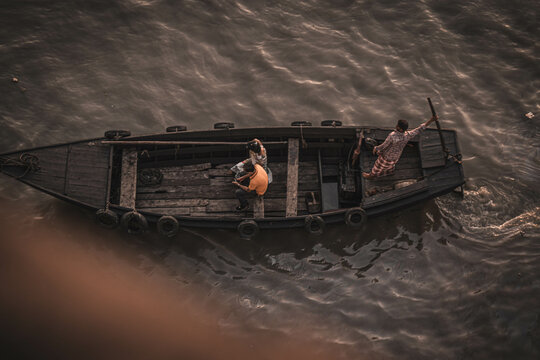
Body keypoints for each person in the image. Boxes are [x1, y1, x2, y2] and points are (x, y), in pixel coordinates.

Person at [362, 115, 438, 179]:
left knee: (377, 166)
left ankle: (371, 175)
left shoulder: (392, 136)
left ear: (400, 128)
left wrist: (376, 148)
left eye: (397, 125)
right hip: (396, 156)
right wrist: (431, 120)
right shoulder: (408, 135)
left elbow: (384, 145)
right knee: (390, 165)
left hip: (387, 156)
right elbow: (419, 129)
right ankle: (389, 172)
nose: (396, 126)